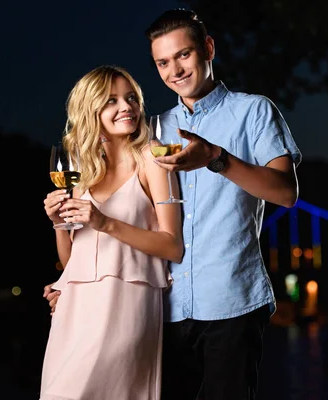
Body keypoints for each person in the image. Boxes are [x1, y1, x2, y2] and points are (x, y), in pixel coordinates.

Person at [45, 8, 302, 399]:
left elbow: (286, 193)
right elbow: (113, 202)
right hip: (163, 306)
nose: (175, 70)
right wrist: (74, 283)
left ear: (208, 49)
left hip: (230, 298)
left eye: (183, 55)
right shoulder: (154, 129)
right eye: (163, 62)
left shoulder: (254, 111)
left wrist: (217, 158)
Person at [39, 64, 183, 400]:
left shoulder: (152, 158)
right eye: (111, 101)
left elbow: (172, 246)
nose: (126, 107)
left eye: (131, 98)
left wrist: (105, 223)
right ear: (90, 110)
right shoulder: (81, 168)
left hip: (127, 305)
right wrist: (59, 224)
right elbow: (72, 260)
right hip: (74, 309)